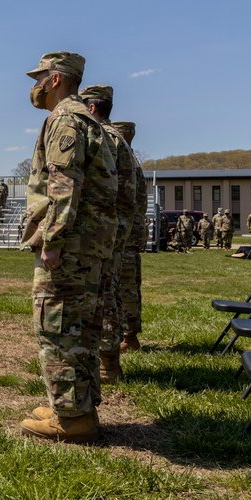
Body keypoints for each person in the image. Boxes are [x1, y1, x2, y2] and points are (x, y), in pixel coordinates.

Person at [18, 51, 117, 444]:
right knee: (81, 328)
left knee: (56, 326)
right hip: (89, 243)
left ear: (55, 79)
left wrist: (53, 239)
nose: (35, 85)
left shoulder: (64, 119)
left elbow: (64, 184)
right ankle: (76, 406)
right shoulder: (88, 120)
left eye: (39, 77)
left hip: (71, 243)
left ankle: (72, 418)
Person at [81, 85, 139, 383]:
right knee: (110, 293)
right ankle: (107, 363)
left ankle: (107, 366)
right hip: (116, 230)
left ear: (91, 108)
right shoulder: (119, 141)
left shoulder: (104, 138)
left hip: (103, 231)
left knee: (102, 297)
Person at [112, 121, 147, 353]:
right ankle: (128, 335)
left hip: (124, 233)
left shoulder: (124, 160)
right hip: (131, 232)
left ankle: (128, 336)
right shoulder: (133, 160)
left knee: (125, 285)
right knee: (129, 284)